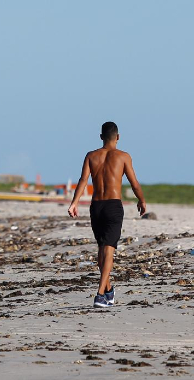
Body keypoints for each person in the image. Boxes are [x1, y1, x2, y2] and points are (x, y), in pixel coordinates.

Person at [68, 122, 146, 308]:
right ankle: (100, 294)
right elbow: (134, 182)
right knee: (108, 249)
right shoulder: (123, 157)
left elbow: (83, 180)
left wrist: (74, 203)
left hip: (96, 207)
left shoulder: (91, 156)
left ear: (101, 137)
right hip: (113, 206)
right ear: (118, 137)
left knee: (102, 250)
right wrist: (141, 200)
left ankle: (109, 290)